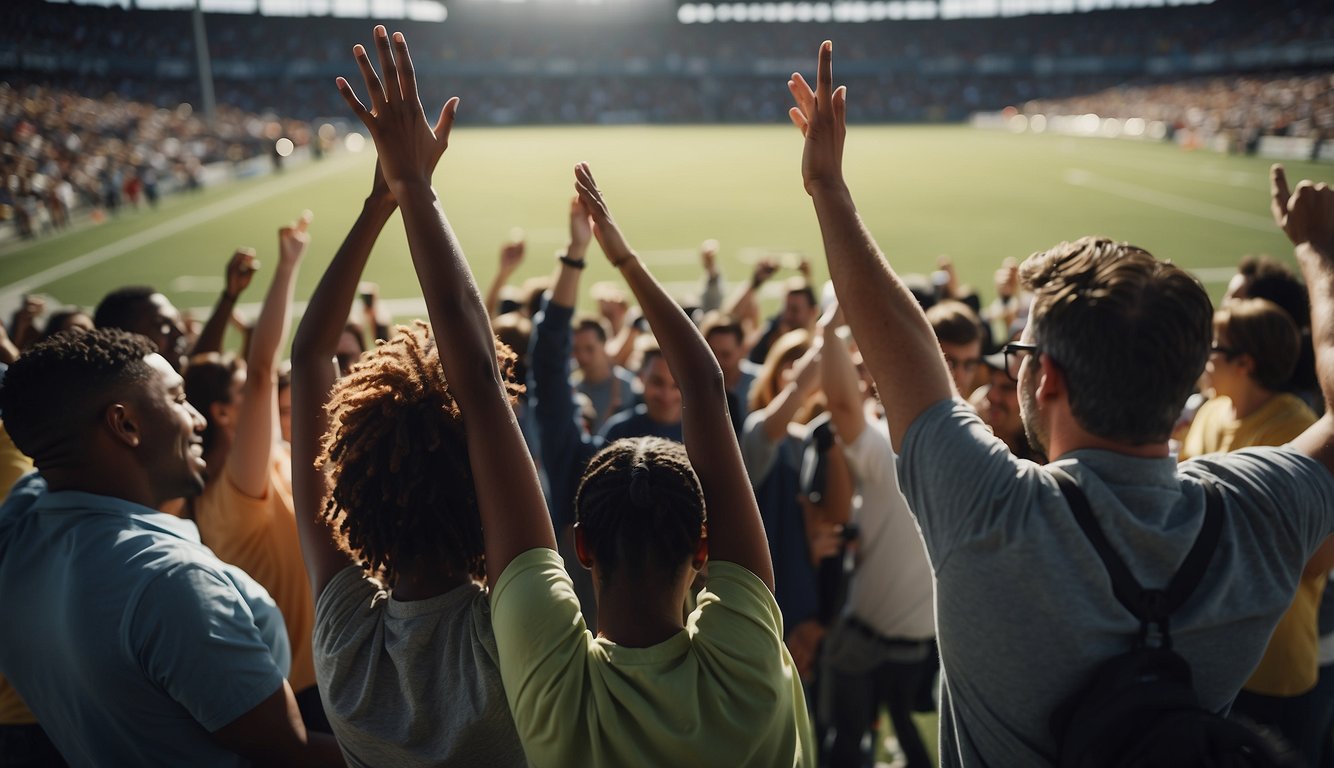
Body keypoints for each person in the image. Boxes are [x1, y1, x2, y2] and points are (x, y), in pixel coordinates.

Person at [788, 40, 1334, 766]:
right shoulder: (1259, 515)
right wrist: (1323, 260)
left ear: (1047, 378)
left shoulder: (993, 511)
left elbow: (902, 346)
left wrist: (827, 186)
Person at [488, 157, 815, 766]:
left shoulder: (553, 681)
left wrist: (408, 192)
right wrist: (623, 257)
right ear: (703, 545)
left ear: (580, 547)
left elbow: (493, 399)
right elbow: (707, 387)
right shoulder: (748, 659)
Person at [297, 30, 527, 766]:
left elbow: (307, 361)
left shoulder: (344, 642)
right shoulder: (520, 632)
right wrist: (411, 189)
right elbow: (485, 387)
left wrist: (388, 201)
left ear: (347, 488)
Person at [0, 329, 340, 765]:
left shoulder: (18, 537)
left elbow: (40, 432)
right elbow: (290, 752)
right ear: (125, 424)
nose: (198, 419)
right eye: (179, 398)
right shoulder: (170, 579)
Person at [185, 215, 324, 732]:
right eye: (244, 395)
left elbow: (255, 374)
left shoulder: (263, 463)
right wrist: (288, 266)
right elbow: (264, 368)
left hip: (333, 668)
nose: (259, 399)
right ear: (222, 414)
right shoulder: (233, 493)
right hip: (311, 689)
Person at [1180, 297, 1332, 760]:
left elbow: (1316, 559)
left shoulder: (1299, 430)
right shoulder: (1210, 412)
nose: (1204, 355)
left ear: (1245, 363)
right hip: (1211, 661)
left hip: (1275, 670)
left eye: (1214, 347)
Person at [817, 307, 935, 768]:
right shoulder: (967, 449)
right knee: (905, 729)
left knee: (846, 744)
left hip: (864, 636)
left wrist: (829, 329)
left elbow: (843, 407)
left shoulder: (889, 453)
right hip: (919, 640)